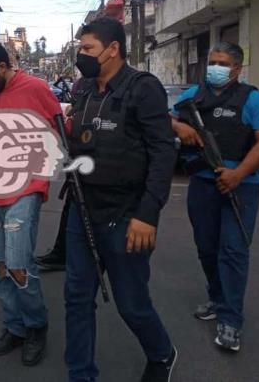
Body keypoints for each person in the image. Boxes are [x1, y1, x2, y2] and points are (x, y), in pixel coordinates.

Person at [65, 19, 177, 382]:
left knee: (131, 304)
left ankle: (161, 353)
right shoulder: (82, 89)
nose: (81, 56)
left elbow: (163, 154)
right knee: (77, 297)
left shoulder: (143, 89)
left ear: (113, 49)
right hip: (82, 210)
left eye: (87, 49)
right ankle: (81, 375)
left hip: (127, 214)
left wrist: (148, 214)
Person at [0, 36, 62, 367]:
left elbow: (58, 130)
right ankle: (15, 326)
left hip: (25, 189)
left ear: (3, 67)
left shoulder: (35, 89)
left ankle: (36, 326)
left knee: (18, 263)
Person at [172, 42, 259, 353]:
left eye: (222, 62)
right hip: (203, 183)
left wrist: (239, 173)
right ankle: (217, 299)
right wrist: (179, 126)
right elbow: (164, 119)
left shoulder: (254, 100)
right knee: (206, 247)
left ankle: (231, 319)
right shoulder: (194, 96)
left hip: (240, 187)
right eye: (212, 61)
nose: (215, 67)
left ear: (237, 68)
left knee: (233, 250)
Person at [36, 75, 89, 272]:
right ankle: (62, 253)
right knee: (71, 209)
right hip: (75, 157)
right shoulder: (82, 84)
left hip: (99, 166)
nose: (83, 53)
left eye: (88, 47)